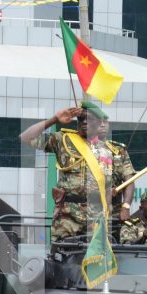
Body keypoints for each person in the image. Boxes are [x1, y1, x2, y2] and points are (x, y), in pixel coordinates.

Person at [19, 101, 134, 242]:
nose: (85, 122)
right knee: (62, 256)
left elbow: (129, 180)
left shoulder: (115, 150)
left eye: (90, 119)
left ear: (100, 123)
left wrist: (126, 206)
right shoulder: (63, 140)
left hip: (103, 214)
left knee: (103, 260)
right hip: (69, 216)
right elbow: (25, 137)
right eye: (81, 118)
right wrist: (54, 119)